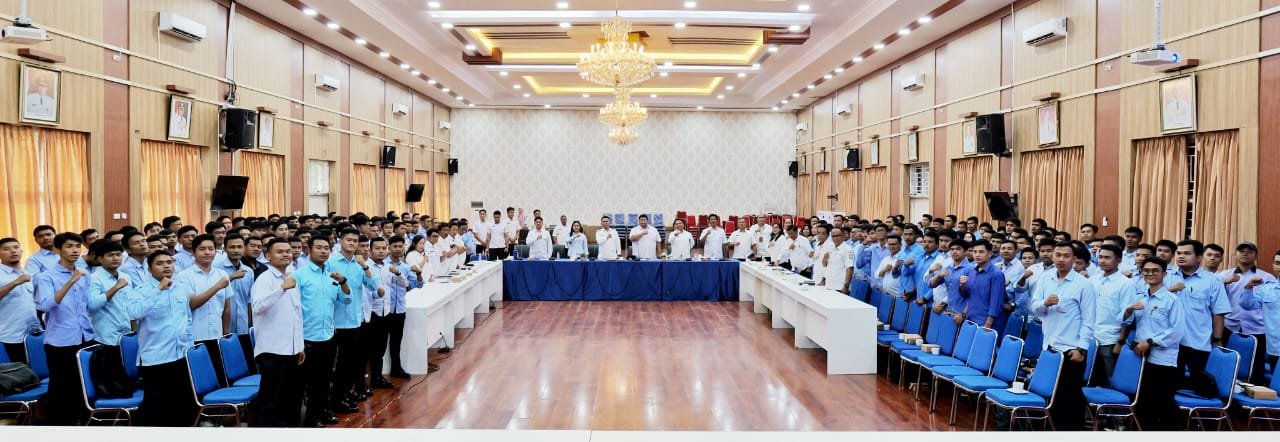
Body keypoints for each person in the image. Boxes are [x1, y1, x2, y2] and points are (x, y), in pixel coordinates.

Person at [1029, 242, 1096, 430]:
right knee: (1052, 394)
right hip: (1049, 347)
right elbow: (1034, 308)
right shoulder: (1045, 278)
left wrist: (1081, 348)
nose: (1061, 259)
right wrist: (1045, 303)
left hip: (1071, 349)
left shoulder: (1083, 284)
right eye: (1058, 255)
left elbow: (1089, 320)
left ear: (1074, 259)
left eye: (1066, 256)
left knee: (1070, 397)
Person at [126, 252, 197, 426]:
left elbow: (187, 318)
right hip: (156, 357)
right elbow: (134, 313)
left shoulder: (181, 287)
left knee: (183, 403)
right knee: (158, 408)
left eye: (169, 262)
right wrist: (158, 290)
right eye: (160, 263)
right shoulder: (141, 291)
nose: (166, 266)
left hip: (181, 354)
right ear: (150, 269)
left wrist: (190, 345)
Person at [34, 232, 93, 424]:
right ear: (58, 249)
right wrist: (71, 281)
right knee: (62, 387)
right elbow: (45, 305)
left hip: (84, 336)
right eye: (69, 246)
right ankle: (61, 425)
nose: (75, 250)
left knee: (81, 384)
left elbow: (85, 305)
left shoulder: (84, 274)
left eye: (77, 246)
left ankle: (82, 421)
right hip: (60, 340)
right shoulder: (46, 276)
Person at [296, 235, 351, 427]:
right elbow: (293, 309)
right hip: (306, 337)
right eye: (318, 247)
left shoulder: (331, 276)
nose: (323, 251)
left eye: (326, 248)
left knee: (325, 378)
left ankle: (320, 412)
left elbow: (346, 299)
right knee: (308, 381)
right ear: (309, 249)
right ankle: (309, 418)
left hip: (328, 334)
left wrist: (343, 281)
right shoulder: (299, 275)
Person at [250, 238, 305, 427]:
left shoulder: (291, 277)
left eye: (288, 251)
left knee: (290, 397)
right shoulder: (264, 279)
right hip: (272, 350)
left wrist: (299, 346)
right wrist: (281, 289)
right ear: (268, 256)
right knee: (270, 400)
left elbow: (297, 314)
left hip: (291, 349)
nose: (285, 254)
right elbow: (257, 307)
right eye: (280, 251)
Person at [1125, 257, 1184, 430]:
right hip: (1140, 358)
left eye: (1155, 270)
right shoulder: (1140, 297)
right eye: (1146, 271)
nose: (1150, 274)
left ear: (1164, 274)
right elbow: (1126, 322)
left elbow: (1177, 331)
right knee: (1142, 401)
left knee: (1161, 403)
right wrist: (1128, 310)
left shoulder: (1172, 300)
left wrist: (1151, 342)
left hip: (1162, 359)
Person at [1166, 239, 1230, 390]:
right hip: (1169, 342)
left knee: (1199, 386)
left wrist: (1217, 339)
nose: (1181, 256)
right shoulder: (1166, 276)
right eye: (1179, 253)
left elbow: (1219, 313)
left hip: (1197, 341)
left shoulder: (1213, 281)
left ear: (1199, 257)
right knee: (1169, 386)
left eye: (1187, 253)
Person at [176, 234, 238, 387]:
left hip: (217, 335)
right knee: (200, 381)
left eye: (211, 249)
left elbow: (227, 307)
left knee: (220, 378)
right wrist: (216, 287)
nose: (207, 252)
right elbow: (192, 304)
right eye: (202, 249)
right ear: (193, 252)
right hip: (195, 337)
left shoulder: (221, 274)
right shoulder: (184, 276)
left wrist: (226, 334)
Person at [328, 229, 377, 412]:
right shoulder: (331, 263)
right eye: (348, 240)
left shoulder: (359, 265)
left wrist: (365, 266)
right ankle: (335, 399)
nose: (352, 243)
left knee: (349, 362)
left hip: (354, 320)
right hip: (335, 321)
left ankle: (345, 394)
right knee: (335, 364)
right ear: (340, 241)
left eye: (355, 241)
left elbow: (373, 285)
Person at [86, 240, 137, 398]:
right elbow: (93, 304)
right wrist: (115, 287)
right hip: (106, 337)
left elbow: (130, 304)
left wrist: (134, 329)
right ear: (100, 259)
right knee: (116, 385)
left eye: (118, 255)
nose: (115, 258)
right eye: (110, 255)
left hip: (127, 335)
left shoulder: (125, 276)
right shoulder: (94, 278)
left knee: (132, 379)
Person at [1224, 242, 1276, 384]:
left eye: (1249, 251)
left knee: (1256, 365)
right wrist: (1225, 283)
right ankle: (1227, 389)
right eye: (1241, 251)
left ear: (1256, 255)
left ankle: (1254, 389)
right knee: (1229, 362)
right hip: (1230, 326)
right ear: (1235, 254)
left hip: (1257, 327)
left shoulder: (1267, 277)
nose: (1245, 253)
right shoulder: (1225, 275)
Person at [1090, 244, 1134, 387]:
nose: (1102, 261)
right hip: (1090, 337)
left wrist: (1120, 342)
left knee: (1110, 380)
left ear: (1119, 260)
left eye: (1107, 258)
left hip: (1110, 339)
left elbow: (1128, 317)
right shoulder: (1092, 280)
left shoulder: (1126, 284)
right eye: (1100, 257)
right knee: (1089, 379)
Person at [217, 234, 256, 369]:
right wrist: (231, 277)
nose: (236, 250)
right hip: (224, 325)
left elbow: (249, 300)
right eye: (232, 247)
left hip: (243, 324)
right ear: (225, 248)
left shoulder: (248, 271)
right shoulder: (217, 269)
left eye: (239, 247)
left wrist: (250, 323)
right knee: (226, 364)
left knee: (245, 362)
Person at [363, 237, 396, 390]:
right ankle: (362, 382)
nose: (381, 251)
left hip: (386, 311)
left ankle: (377, 377)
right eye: (377, 248)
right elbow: (366, 293)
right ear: (370, 250)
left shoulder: (388, 267)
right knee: (367, 350)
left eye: (384, 248)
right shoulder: (365, 267)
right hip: (371, 313)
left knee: (381, 348)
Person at [383, 235, 417, 379]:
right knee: (380, 344)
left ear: (404, 247)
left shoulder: (405, 267)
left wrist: (418, 275)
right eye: (394, 246)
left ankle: (396, 368)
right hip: (384, 310)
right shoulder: (383, 265)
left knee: (397, 341)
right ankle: (377, 373)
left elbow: (415, 285)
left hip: (400, 308)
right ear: (389, 248)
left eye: (400, 246)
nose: (397, 249)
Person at [0, 238, 38, 365]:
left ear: (21, 251)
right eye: (6, 249)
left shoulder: (26, 272)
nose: (13, 251)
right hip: (11, 336)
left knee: (38, 370)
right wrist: (16, 282)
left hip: (33, 332)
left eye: (16, 247)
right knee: (19, 372)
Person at [959, 240, 1005, 329]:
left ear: (990, 254)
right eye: (975, 252)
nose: (977, 255)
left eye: (981, 252)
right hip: (969, 318)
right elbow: (966, 295)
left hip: (985, 321)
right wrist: (962, 285)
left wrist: (988, 324)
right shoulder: (972, 271)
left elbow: (996, 301)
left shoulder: (996, 274)